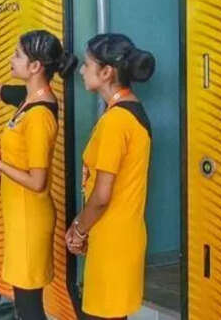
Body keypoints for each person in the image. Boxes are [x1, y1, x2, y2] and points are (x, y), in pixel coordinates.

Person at [0, 30, 77, 320]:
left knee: (29, 306)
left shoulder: (39, 115)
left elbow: (37, 182)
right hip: (19, 213)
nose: (11, 59)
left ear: (35, 66)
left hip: (30, 217)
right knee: (24, 302)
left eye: (17, 55)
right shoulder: (27, 98)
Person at [66, 33, 155, 320]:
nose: (81, 70)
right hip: (124, 236)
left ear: (106, 72)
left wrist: (79, 229)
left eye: (87, 64)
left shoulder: (116, 121)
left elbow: (103, 196)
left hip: (111, 241)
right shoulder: (131, 112)